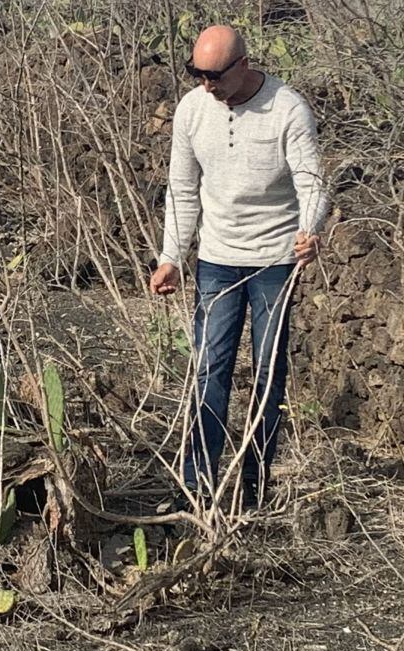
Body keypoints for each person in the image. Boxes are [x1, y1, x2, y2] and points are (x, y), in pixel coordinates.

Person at [149, 25, 328, 510]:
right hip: (216, 261)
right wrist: (171, 257)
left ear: (243, 64)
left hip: (274, 261)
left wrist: (309, 230)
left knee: (268, 376)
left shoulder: (287, 108)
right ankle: (197, 487)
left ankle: (254, 487)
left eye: (214, 75)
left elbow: (311, 182)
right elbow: (182, 191)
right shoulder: (192, 110)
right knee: (209, 371)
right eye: (196, 73)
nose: (206, 84)